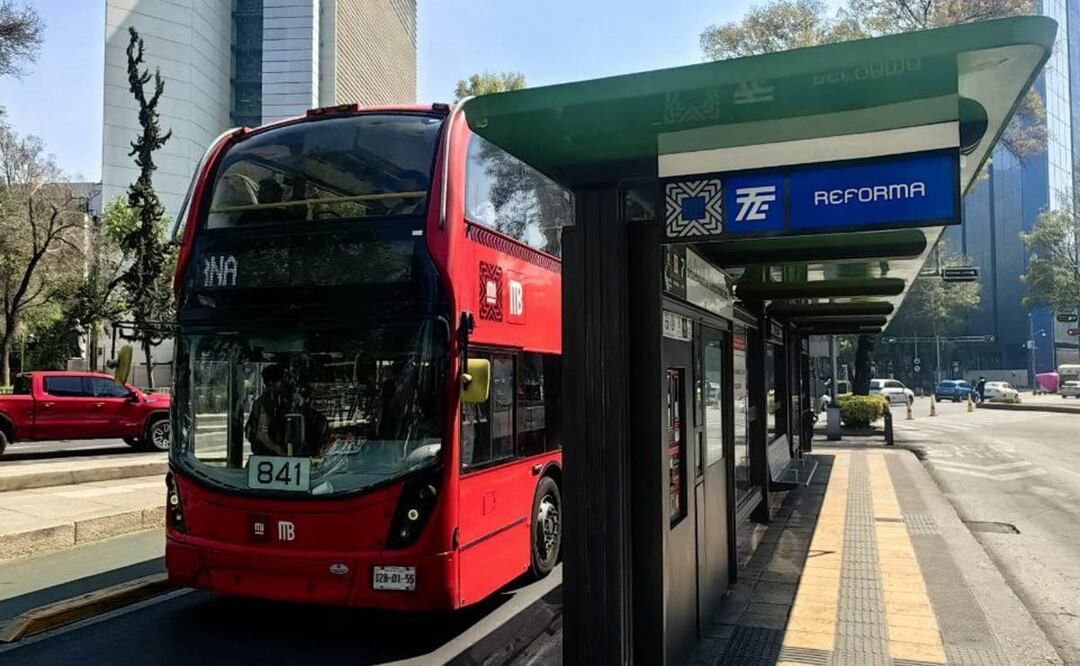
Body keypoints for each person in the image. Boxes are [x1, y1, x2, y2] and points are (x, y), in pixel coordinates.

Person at [245, 364, 329, 456]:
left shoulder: (286, 401)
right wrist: (281, 452)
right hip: (269, 456)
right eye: (281, 382)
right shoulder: (265, 402)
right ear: (271, 383)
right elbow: (262, 435)